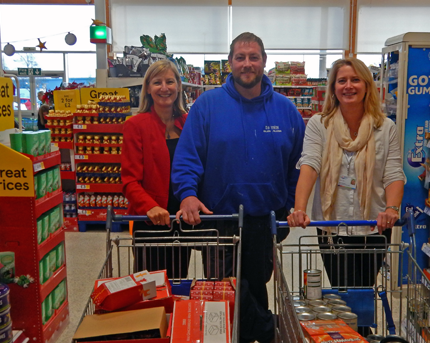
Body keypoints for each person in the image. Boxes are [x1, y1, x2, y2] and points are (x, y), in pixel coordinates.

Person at [171, 32, 305, 343]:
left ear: (264, 62)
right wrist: (188, 194)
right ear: (230, 62)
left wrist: (289, 205)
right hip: (219, 220)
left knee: (256, 288)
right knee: (227, 292)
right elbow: (188, 156)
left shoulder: (286, 110)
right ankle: (270, 332)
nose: (247, 63)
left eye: (253, 57)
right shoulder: (207, 106)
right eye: (240, 57)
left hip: (265, 220)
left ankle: (260, 333)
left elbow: (299, 164)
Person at [286, 58, 405, 333]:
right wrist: (299, 208)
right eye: (341, 81)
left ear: (366, 85)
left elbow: (394, 173)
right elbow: (310, 164)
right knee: (341, 289)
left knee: (363, 289)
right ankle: (351, 333)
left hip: (374, 225)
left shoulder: (384, 127)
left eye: (355, 80)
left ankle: (360, 332)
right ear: (333, 88)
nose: (348, 86)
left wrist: (392, 208)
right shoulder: (320, 124)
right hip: (332, 225)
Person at [121, 59, 190, 278]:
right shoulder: (135, 125)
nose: (164, 88)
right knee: (150, 286)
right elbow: (129, 181)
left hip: (181, 218)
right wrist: (150, 207)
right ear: (148, 89)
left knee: (178, 279)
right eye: (157, 82)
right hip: (150, 220)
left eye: (170, 81)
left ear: (178, 86)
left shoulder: (188, 122)